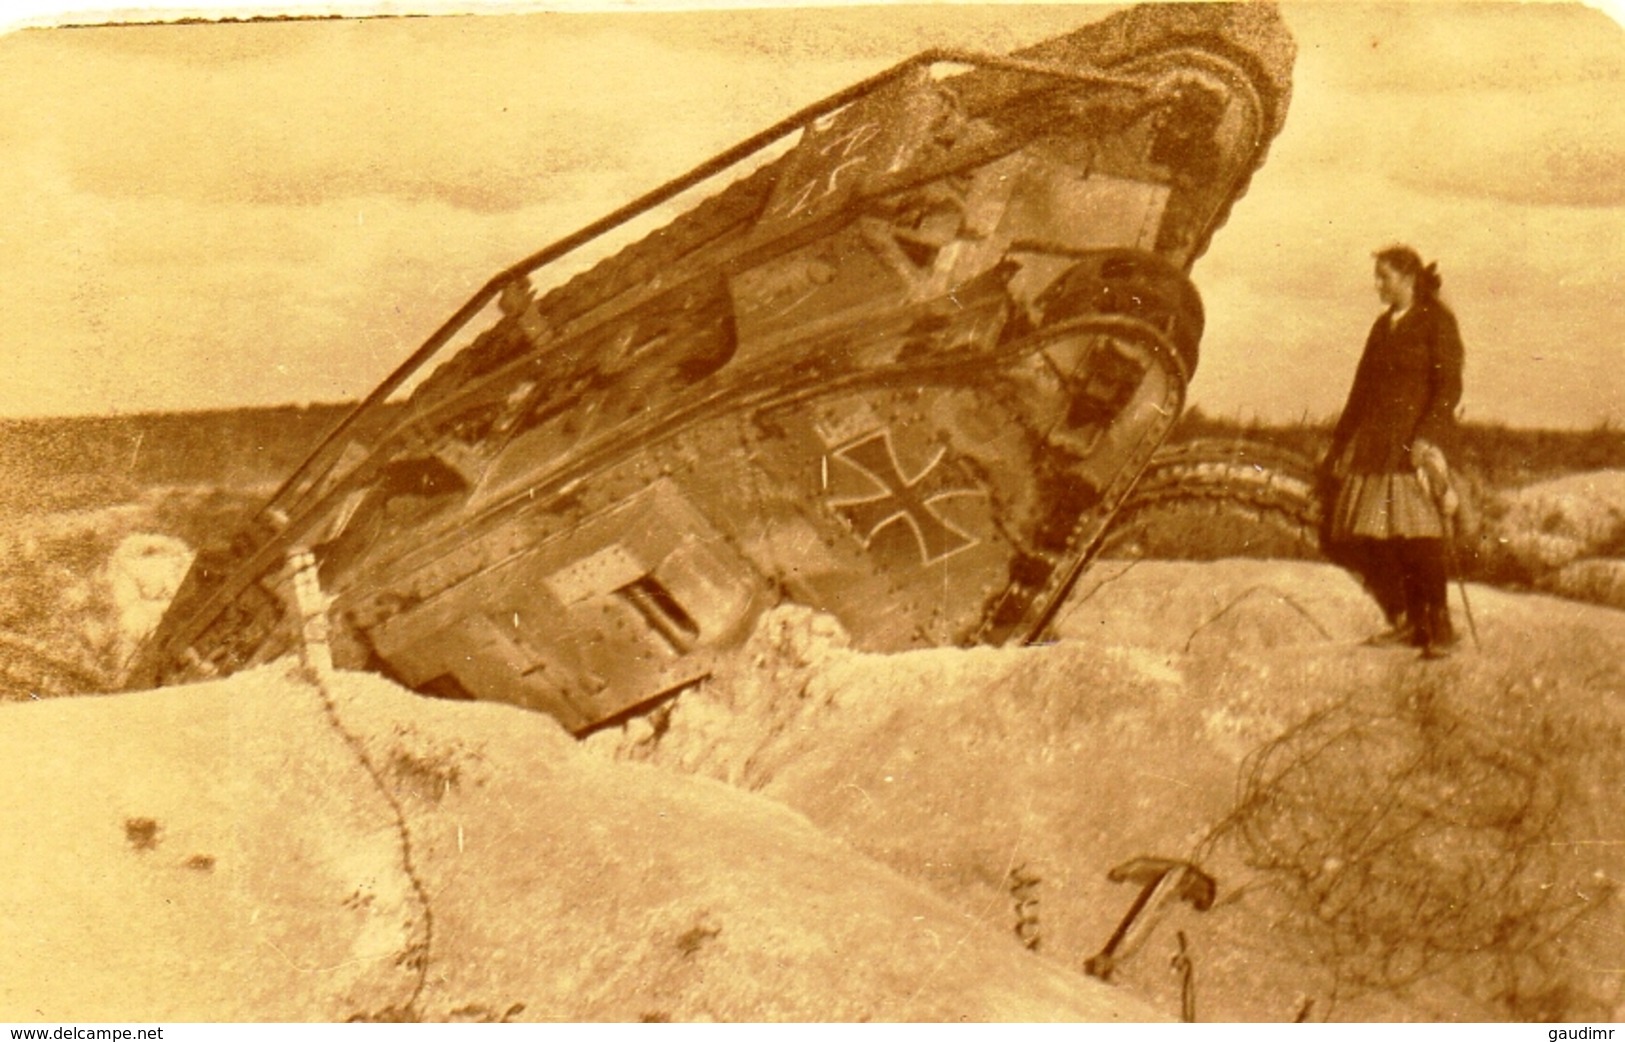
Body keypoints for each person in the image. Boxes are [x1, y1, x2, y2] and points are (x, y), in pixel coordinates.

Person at [1320, 245, 1466, 658]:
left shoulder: (1436, 322)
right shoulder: (1382, 326)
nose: (1378, 285)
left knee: (1418, 536)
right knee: (1374, 536)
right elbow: (1360, 390)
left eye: (1384, 276)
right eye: (1378, 276)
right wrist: (1339, 445)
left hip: (1415, 447)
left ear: (1407, 277)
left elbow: (1449, 387)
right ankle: (1407, 619)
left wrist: (1428, 437)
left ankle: (1439, 625)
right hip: (1375, 447)